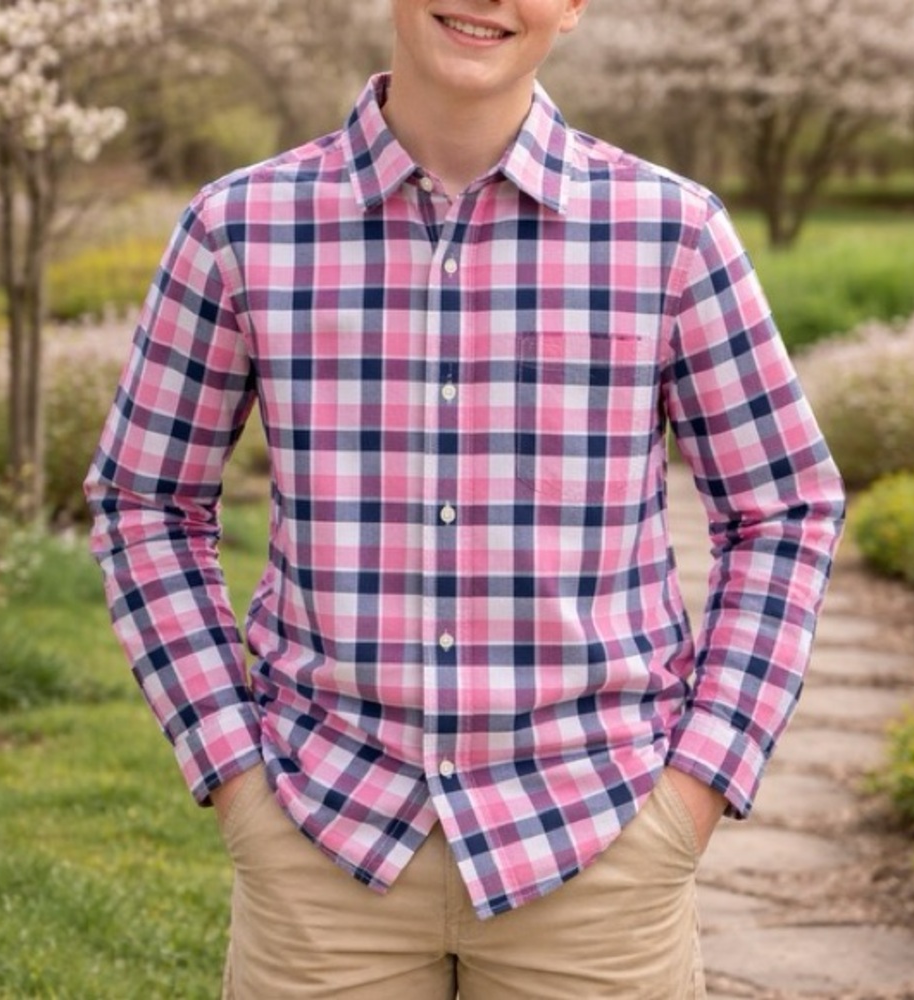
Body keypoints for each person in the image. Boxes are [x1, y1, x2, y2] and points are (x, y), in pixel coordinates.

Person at [85, 1, 846, 996]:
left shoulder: (670, 233)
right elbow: (145, 500)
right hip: (322, 843)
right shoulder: (240, 229)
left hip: (598, 842)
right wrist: (234, 775)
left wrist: (700, 782)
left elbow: (782, 507)